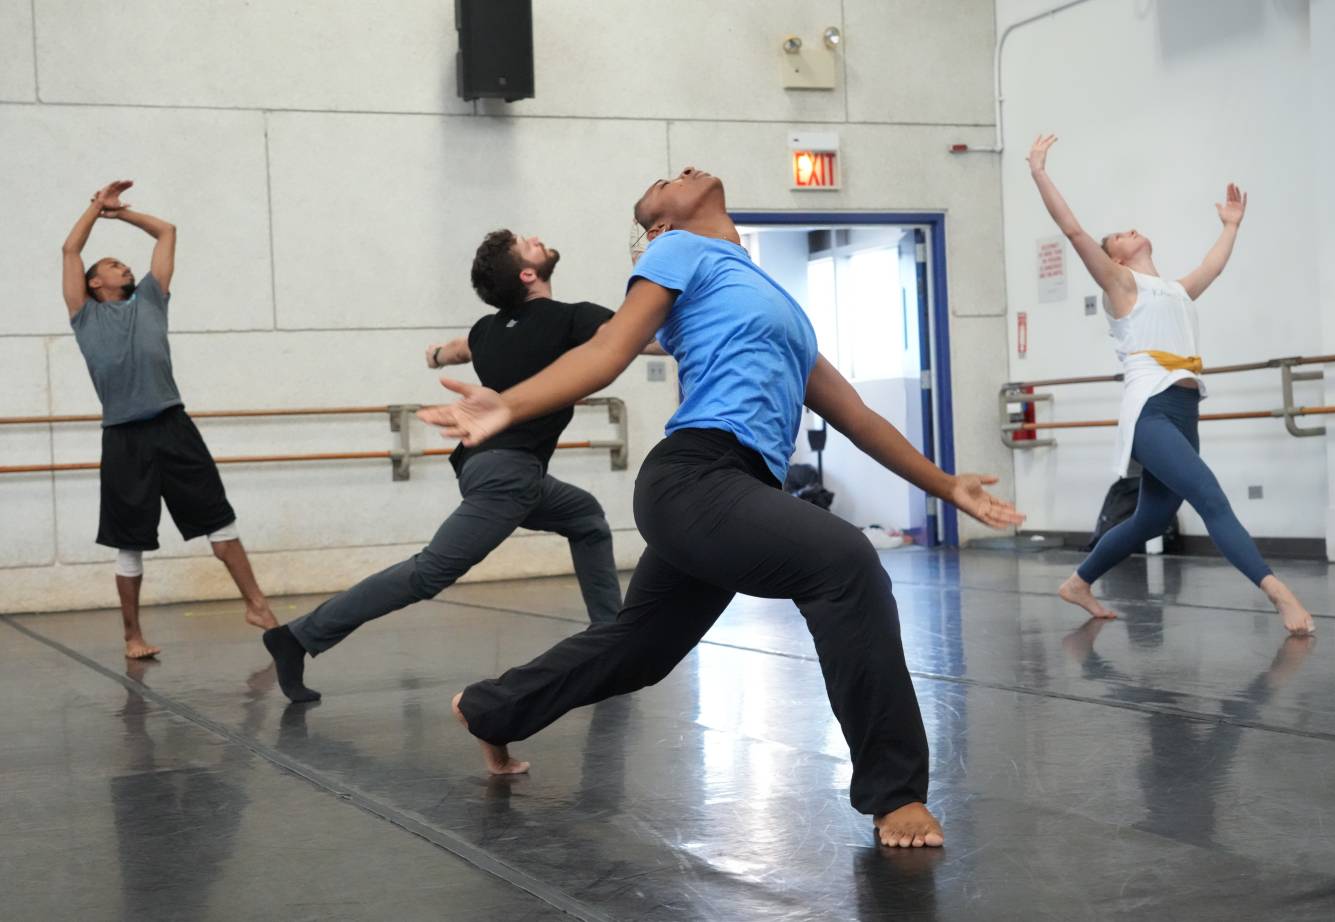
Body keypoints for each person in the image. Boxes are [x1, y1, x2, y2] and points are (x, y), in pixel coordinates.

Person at [418, 166, 1026, 848]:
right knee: (844, 561)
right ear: (657, 226)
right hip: (696, 477)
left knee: (640, 649)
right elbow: (610, 348)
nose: (674, 171)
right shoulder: (676, 251)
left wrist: (946, 485)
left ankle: (489, 709)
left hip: (740, 489)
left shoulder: (770, 296)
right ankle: (896, 795)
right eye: (655, 184)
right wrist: (510, 402)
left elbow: (854, 414)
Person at [262, 230, 628, 702]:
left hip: (483, 467)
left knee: (586, 518)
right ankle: (296, 637)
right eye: (528, 243)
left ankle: (610, 639)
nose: (537, 238)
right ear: (529, 274)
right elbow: (643, 339)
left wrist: (436, 355)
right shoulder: (573, 319)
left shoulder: (487, 330)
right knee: (429, 573)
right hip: (509, 476)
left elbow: (459, 348)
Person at [1026, 135, 1315, 635]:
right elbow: (1072, 230)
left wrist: (1230, 226)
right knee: (1210, 497)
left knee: (1149, 519)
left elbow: (1214, 265)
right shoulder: (1120, 285)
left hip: (1184, 413)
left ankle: (1078, 581)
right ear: (1113, 257)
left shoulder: (1176, 291)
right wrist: (1039, 172)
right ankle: (1279, 594)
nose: (1129, 231)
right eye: (1119, 234)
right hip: (1152, 413)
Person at [62, 180, 279, 659]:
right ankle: (132, 636)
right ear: (95, 284)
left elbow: (166, 232)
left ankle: (257, 605)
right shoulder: (84, 316)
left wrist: (121, 215)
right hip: (123, 438)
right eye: (112, 265)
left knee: (218, 520)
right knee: (129, 541)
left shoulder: (152, 298)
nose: (123, 266)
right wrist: (96, 207)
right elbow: (70, 249)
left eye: (123, 262)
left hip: (172, 426)